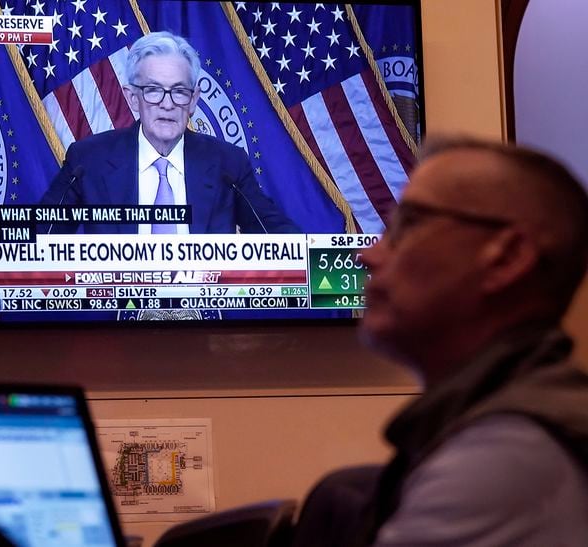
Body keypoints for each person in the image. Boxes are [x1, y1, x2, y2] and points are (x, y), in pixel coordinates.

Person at [351, 135, 588, 546]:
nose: (368, 255)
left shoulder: (509, 455)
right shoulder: (507, 417)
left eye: (407, 225)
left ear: (507, 257)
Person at [39, 31, 299, 234]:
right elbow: (41, 233)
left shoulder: (228, 164)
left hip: (204, 303)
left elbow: (273, 232)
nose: (167, 103)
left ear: (194, 99)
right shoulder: (89, 160)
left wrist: (322, 255)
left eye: (179, 91)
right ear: (132, 98)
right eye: (153, 90)